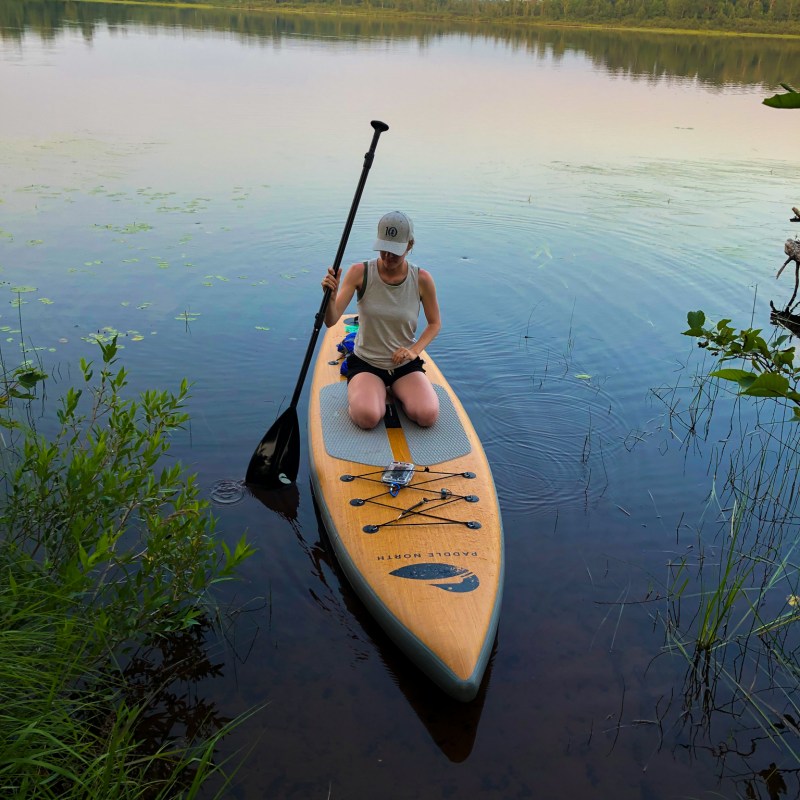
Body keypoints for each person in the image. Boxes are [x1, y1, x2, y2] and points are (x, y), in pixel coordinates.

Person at [321, 210, 441, 430]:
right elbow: (331, 321)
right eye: (384, 249)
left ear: (409, 245)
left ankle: (394, 390)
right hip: (367, 362)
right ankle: (371, 393)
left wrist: (414, 350)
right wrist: (330, 297)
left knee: (427, 416)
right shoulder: (360, 272)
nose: (388, 257)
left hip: (403, 365)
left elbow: (435, 324)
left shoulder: (422, 279)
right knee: (367, 418)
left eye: (395, 251)